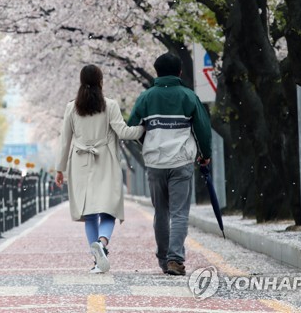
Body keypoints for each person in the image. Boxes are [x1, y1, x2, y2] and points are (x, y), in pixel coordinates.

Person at [127, 52, 211, 276]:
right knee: (180, 213)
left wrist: (147, 141)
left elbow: (132, 126)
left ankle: (164, 259)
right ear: (180, 72)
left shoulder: (145, 98)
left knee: (161, 213)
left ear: (156, 71)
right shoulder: (188, 96)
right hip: (181, 161)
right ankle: (175, 258)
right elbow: (202, 128)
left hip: (155, 163)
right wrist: (205, 154)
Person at [56, 64, 144, 273]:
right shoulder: (110, 105)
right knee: (108, 209)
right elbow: (123, 132)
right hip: (105, 161)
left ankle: (97, 260)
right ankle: (102, 244)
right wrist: (144, 127)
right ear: (101, 81)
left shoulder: (72, 107)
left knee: (89, 213)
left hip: (80, 163)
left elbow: (64, 141)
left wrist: (60, 169)